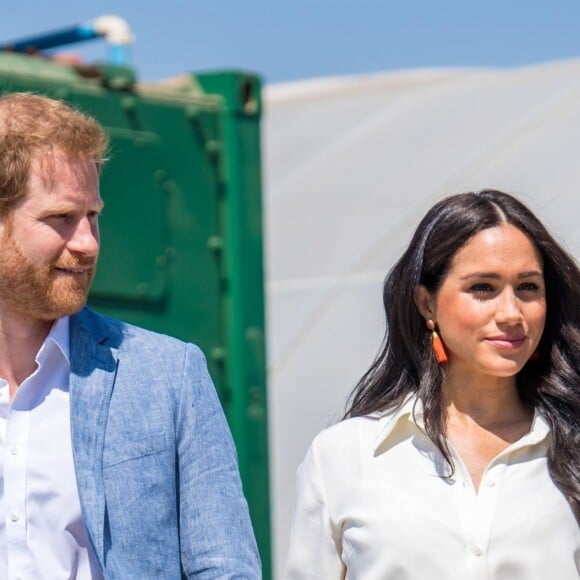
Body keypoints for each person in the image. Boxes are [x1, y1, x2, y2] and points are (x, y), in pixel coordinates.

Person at [0, 92, 261, 578]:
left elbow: (225, 567)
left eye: (93, 216)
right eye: (61, 218)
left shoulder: (167, 375)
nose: (87, 243)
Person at [284, 190, 579, 579]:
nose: (511, 313)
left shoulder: (571, 445)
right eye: (483, 288)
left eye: (527, 287)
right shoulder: (344, 456)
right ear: (426, 304)